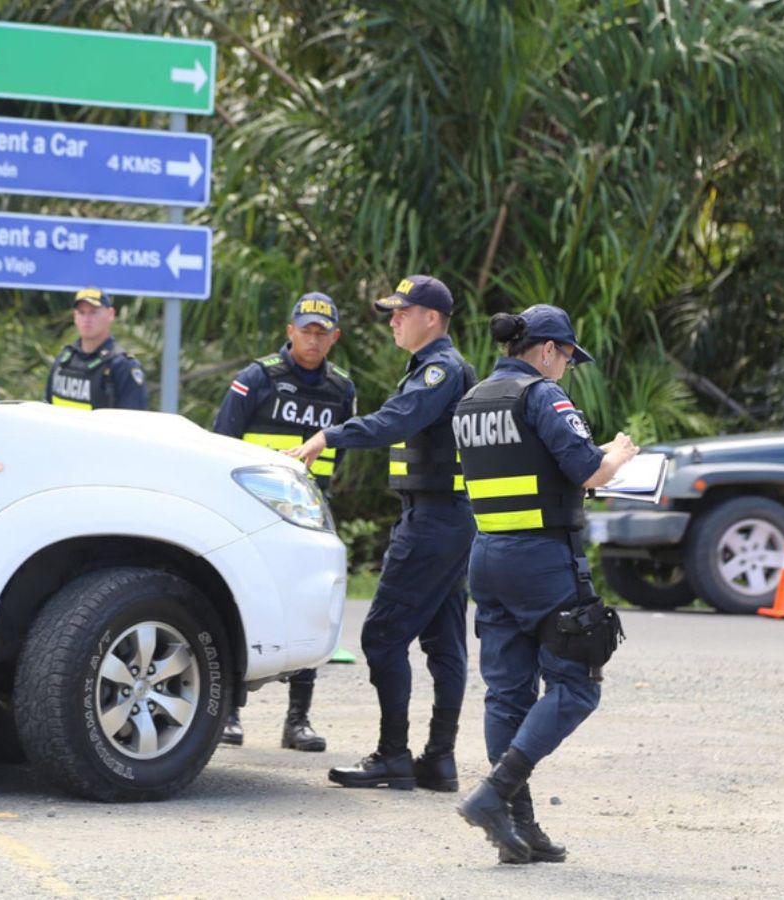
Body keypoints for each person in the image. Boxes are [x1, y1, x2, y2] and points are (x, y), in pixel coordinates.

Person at [452, 305, 637, 864]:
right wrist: (618, 454)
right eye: (566, 359)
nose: (566, 371)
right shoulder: (542, 396)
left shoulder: (471, 400)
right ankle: (493, 794)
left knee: (507, 694)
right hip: (541, 558)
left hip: (487, 555)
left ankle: (518, 828)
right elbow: (589, 469)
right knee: (578, 686)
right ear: (548, 350)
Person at [288, 275, 477, 792]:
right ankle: (438, 761)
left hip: (436, 522)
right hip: (443, 518)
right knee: (443, 643)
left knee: (383, 636)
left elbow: (397, 420)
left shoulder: (440, 370)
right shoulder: (431, 368)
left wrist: (330, 434)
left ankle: (395, 755)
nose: (393, 320)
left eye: (402, 312)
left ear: (431, 318)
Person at [211, 292, 356, 751]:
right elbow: (221, 441)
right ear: (290, 331)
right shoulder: (257, 377)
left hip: (308, 515)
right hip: (250, 510)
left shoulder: (342, 389)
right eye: (305, 330)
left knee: (309, 605)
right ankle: (229, 715)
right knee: (238, 604)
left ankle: (298, 721)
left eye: (322, 333)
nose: (312, 340)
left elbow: (341, 452)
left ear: (333, 338)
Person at [44, 287, 147, 410]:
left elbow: (133, 423)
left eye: (93, 312)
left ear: (110, 314)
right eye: (81, 312)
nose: (87, 319)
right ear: (75, 317)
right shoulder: (64, 360)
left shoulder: (123, 366)